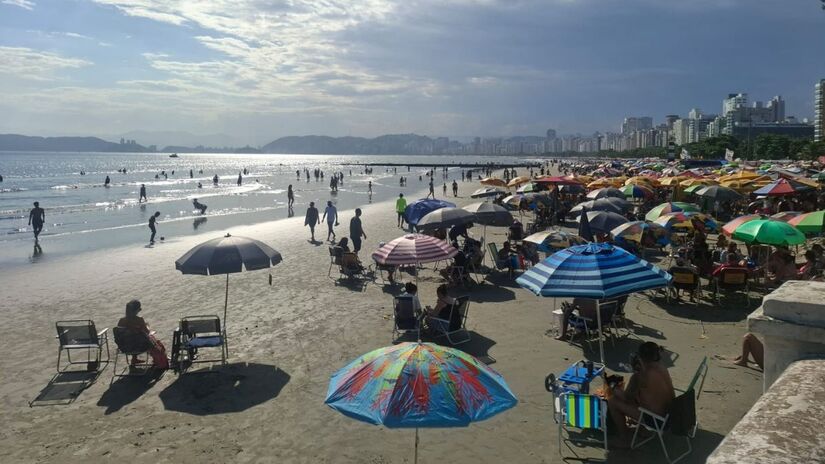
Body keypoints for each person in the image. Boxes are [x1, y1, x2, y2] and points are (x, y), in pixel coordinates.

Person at [607, 342, 675, 445]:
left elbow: (626, 398)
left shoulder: (641, 376)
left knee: (613, 401)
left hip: (657, 421)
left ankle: (624, 437)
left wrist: (613, 387)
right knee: (640, 396)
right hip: (672, 414)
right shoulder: (662, 367)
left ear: (640, 357)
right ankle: (642, 430)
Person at [117, 300, 169, 369]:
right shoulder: (139, 320)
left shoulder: (121, 321)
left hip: (124, 347)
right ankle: (159, 359)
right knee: (151, 339)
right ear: (136, 310)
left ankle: (134, 359)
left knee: (132, 337)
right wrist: (147, 327)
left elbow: (125, 333)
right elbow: (147, 332)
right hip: (139, 346)